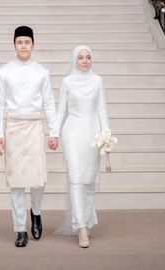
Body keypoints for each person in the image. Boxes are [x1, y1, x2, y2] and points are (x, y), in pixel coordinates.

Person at [0, 25, 59, 247]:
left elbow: (49, 102)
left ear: (33, 45)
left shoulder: (41, 72)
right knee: (16, 182)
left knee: (38, 179)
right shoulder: (4, 71)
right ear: (14, 44)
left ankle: (36, 213)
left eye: (27, 42)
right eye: (19, 42)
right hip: (13, 128)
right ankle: (20, 229)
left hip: (34, 127)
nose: (23, 46)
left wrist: (54, 131)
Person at [56, 44, 109, 248]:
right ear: (74, 60)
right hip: (72, 134)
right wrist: (54, 133)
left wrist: (106, 135)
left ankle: (86, 220)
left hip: (93, 136)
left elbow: (102, 110)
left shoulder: (98, 81)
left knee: (87, 181)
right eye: (80, 57)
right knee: (76, 178)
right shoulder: (67, 82)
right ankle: (81, 228)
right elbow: (61, 111)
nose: (85, 61)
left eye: (88, 57)